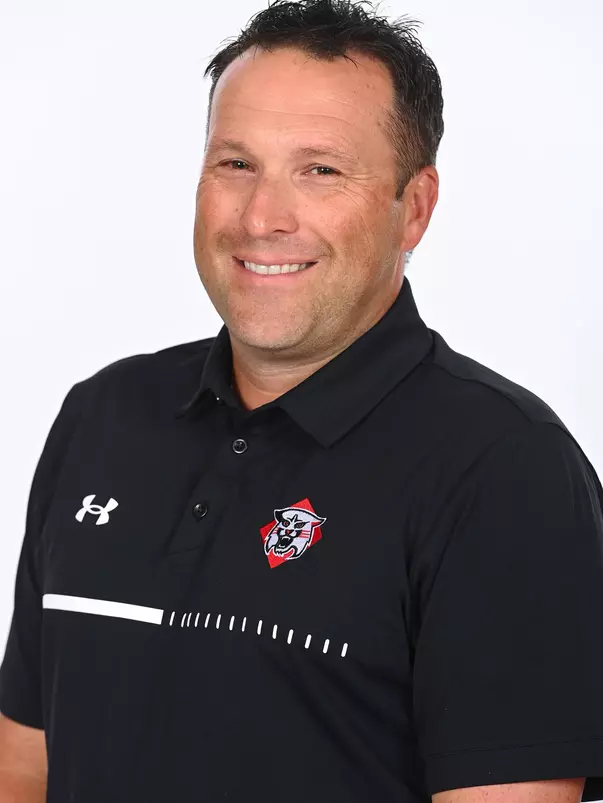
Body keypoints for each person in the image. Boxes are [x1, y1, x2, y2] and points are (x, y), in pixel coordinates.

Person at [1, 0, 602, 801]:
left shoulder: (505, 469)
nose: (261, 217)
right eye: (235, 164)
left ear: (412, 207)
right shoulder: (102, 414)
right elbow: (23, 762)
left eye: (319, 170)